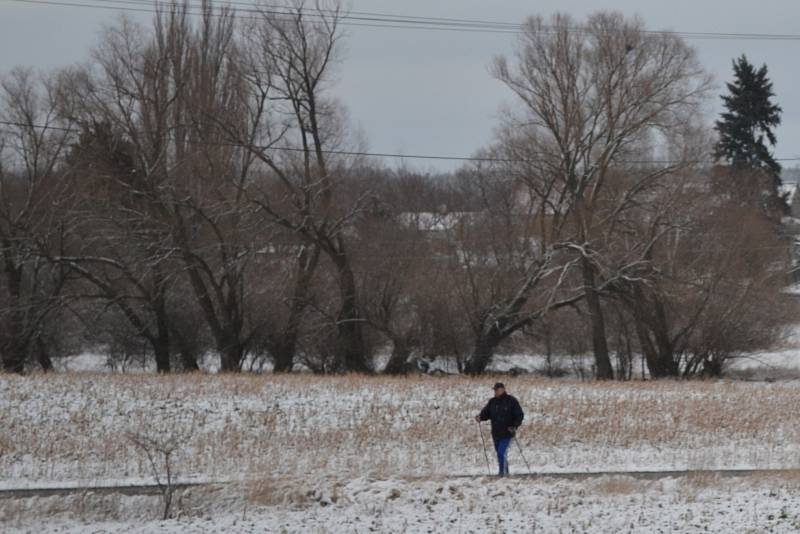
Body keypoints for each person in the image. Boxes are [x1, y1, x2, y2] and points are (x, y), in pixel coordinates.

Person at [474, 382, 524, 476]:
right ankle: (505, 472)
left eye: (497, 390)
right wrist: (480, 417)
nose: (495, 392)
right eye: (494, 390)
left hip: (507, 432)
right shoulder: (492, 402)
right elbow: (486, 413)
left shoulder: (511, 400)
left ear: (503, 389)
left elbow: (519, 415)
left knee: (501, 452)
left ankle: (503, 474)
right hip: (496, 433)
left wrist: (514, 425)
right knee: (500, 454)